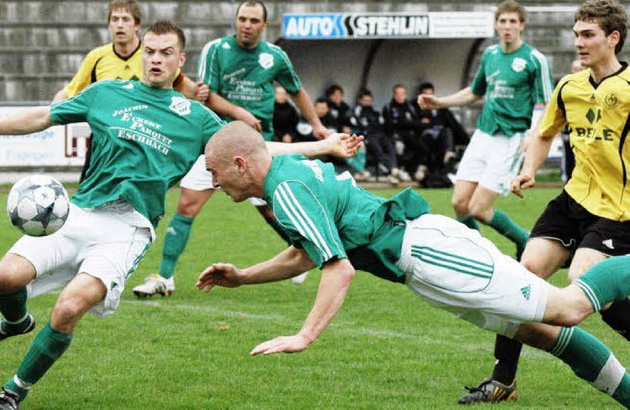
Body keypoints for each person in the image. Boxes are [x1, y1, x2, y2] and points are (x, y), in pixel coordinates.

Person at [0, 20, 363, 410]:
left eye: (166, 53)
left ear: (180, 60)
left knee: (68, 307)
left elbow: (254, 150)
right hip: (79, 211)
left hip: (128, 228)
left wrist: (322, 148)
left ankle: (13, 391)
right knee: (4, 279)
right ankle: (15, 323)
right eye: (149, 51)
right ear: (140, 55)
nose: (155, 59)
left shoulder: (195, 117)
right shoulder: (106, 93)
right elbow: (42, 117)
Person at [197, 122, 630, 408]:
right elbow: (305, 252)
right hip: (422, 261)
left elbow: (338, 268)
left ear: (240, 164)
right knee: (544, 334)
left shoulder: (286, 189)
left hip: (430, 254)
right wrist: (244, 277)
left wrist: (304, 335)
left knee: (569, 307)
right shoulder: (286, 175)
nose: (214, 184)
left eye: (216, 173)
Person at [457, 0, 630, 404]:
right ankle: (503, 380)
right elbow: (544, 133)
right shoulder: (569, 87)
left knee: (582, 285)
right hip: (572, 203)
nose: (579, 43)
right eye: (576, 35)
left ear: (613, 39)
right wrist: (530, 169)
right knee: (523, 276)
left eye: (588, 35)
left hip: (616, 211)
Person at [132, 0, 330, 298]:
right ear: (235, 21)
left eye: (253, 21)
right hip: (216, 142)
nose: (246, 25)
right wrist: (240, 113)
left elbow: (296, 90)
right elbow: (206, 96)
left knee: (275, 209)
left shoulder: (275, 56)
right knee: (186, 206)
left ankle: (305, 255)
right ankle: (165, 277)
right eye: (242, 19)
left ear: (264, 25)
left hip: (258, 148)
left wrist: (316, 124)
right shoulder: (217, 50)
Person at [418, 0, 554, 258]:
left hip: (510, 138)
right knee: (459, 203)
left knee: (479, 208)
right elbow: (474, 92)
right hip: (483, 135)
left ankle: (523, 239)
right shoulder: (490, 55)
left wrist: (533, 134)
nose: (507, 26)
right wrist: (440, 101)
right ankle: (477, 254)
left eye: (513, 21)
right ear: (495, 24)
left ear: (522, 26)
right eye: (502, 21)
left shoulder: (534, 59)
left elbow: (548, 103)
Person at [52, 0, 205, 183]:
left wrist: (199, 92)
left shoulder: (151, 55)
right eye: (115, 19)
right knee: (87, 199)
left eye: (125, 19)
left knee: (139, 197)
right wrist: (55, 109)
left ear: (137, 25)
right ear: (109, 25)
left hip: (143, 138)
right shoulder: (96, 57)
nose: (119, 25)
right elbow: (69, 92)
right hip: (104, 141)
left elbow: (183, 85)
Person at [349, 88, 405, 184]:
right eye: (365, 100)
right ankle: (391, 169)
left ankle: (394, 168)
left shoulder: (375, 112)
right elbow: (358, 125)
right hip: (366, 136)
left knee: (390, 145)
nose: (368, 103)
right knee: (377, 148)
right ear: (360, 100)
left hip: (378, 134)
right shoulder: (356, 111)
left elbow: (381, 124)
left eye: (369, 100)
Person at [382, 83, 425, 181]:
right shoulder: (389, 107)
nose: (400, 96)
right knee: (398, 147)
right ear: (394, 95)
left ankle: (410, 170)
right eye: (398, 94)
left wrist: (400, 122)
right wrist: (407, 123)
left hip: (410, 135)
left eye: (402, 94)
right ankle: (397, 171)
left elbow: (417, 123)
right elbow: (389, 125)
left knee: (422, 148)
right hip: (395, 136)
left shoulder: (410, 107)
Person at [560, 59, 584, 184]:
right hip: (569, 135)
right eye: (575, 69)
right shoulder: (565, 89)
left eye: (581, 69)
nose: (578, 72)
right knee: (569, 165)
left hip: (586, 136)